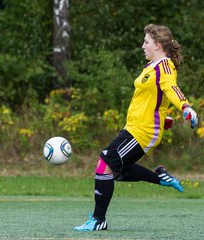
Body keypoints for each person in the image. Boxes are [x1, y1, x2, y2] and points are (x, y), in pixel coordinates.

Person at [74, 23, 199, 232]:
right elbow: (154, 98)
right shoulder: (150, 67)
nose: (143, 46)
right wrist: (164, 114)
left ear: (157, 45)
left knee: (105, 162)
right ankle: (159, 177)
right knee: (114, 172)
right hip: (133, 127)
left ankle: (98, 220)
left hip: (144, 131)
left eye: (146, 42)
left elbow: (171, 89)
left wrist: (185, 106)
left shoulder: (165, 66)